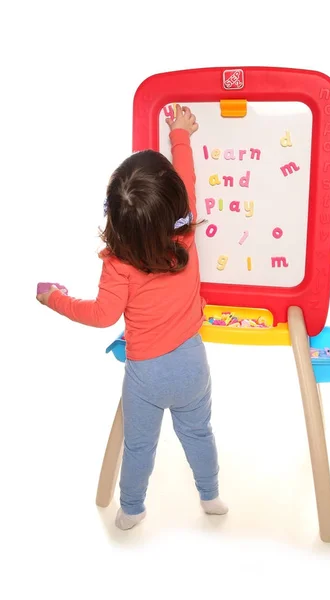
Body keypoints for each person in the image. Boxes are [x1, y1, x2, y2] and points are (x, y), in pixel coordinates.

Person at [36, 105, 228, 530]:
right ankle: (211, 495)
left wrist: (54, 299)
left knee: (140, 445)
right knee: (199, 433)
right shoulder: (187, 237)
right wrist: (180, 133)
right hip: (193, 366)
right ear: (177, 206)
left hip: (146, 377)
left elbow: (102, 315)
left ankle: (132, 509)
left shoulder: (118, 262)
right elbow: (187, 177)